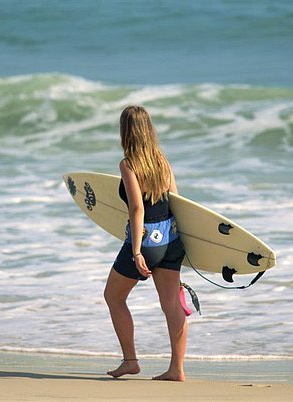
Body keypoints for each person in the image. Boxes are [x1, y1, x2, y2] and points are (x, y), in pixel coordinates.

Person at [103, 105, 187, 382]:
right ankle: (176, 369)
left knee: (113, 297)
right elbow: (177, 201)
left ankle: (130, 361)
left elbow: (137, 209)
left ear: (125, 131)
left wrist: (137, 250)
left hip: (147, 242)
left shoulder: (128, 164)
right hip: (172, 239)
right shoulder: (162, 160)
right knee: (171, 306)